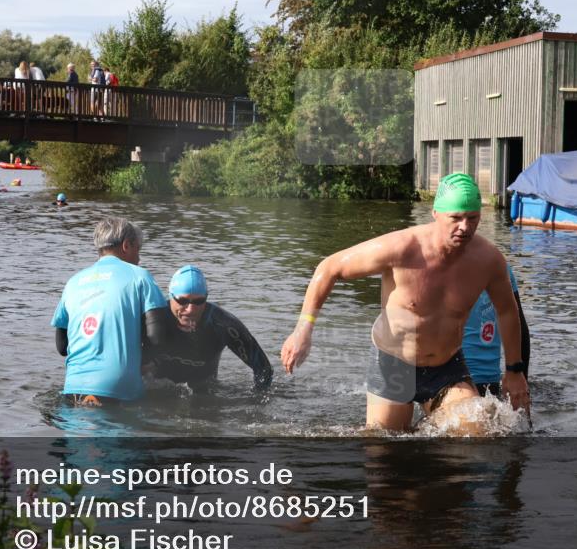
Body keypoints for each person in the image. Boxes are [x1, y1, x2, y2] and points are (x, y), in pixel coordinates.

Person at [280, 173, 530, 431]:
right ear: (435, 213)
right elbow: (329, 268)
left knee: (474, 433)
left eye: (472, 218)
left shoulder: (488, 260)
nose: (464, 227)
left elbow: (507, 312)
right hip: (394, 365)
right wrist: (303, 329)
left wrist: (514, 371)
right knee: (384, 449)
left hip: (447, 368)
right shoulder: (401, 248)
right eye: (455, 218)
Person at [52, 217, 171, 406]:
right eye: (138, 250)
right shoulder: (139, 276)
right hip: (118, 389)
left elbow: (62, 346)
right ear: (126, 245)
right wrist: (144, 363)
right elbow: (157, 337)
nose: (139, 258)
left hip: (74, 388)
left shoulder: (73, 282)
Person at [144, 265, 274, 393]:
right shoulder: (154, 319)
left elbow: (264, 369)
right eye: (183, 301)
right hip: (157, 389)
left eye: (199, 301)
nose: (190, 310)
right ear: (171, 296)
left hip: (204, 391)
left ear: (206, 298)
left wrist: (256, 403)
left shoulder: (223, 325)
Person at [463, 265, 530, 397]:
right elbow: (519, 326)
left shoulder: (499, 266)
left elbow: (518, 325)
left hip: (451, 384)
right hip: (489, 384)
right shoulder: (498, 264)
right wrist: (520, 380)